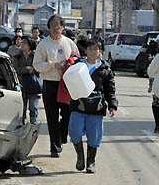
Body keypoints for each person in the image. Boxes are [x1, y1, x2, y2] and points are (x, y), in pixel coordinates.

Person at [68, 39, 117, 173]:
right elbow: (69, 82)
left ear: (99, 52)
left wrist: (112, 105)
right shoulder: (78, 65)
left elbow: (110, 90)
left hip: (97, 108)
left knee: (94, 136)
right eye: (90, 49)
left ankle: (91, 162)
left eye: (95, 49)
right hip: (78, 105)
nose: (92, 51)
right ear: (85, 51)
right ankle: (80, 156)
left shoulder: (105, 69)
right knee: (74, 132)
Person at [34, 14, 80, 156]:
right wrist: (52, 65)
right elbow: (36, 65)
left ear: (63, 27)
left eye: (58, 25)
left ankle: (61, 135)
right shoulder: (43, 44)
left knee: (68, 114)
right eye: (53, 25)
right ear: (48, 27)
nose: (55, 27)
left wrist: (70, 63)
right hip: (50, 84)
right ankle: (55, 148)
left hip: (67, 84)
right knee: (52, 116)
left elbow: (77, 58)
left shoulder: (69, 43)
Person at [13, 36, 41, 126]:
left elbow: (39, 68)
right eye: (22, 42)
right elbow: (15, 69)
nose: (22, 44)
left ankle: (34, 125)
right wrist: (27, 69)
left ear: (29, 45)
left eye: (24, 43)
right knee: (22, 108)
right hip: (21, 85)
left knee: (33, 108)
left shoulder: (36, 55)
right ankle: (21, 124)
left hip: (33, 85)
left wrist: (34, 69)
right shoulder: (17, 55)